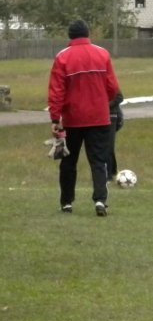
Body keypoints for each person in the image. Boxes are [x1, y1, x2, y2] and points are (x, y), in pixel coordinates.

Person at [48, 19, 120, 216]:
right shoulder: (102, 53)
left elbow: (57, 91)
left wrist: (55, 118)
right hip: (99, 117)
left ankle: (67, 202)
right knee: (99, 160)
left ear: (70, 36)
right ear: (88, 34)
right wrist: (102, 101)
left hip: (72, 119)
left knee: (68, 161)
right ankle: (100, 200)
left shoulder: (63, 57)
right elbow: (113, 88)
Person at [107, 91, 124, 179]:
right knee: (105, 146)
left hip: (111, 117)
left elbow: (119, 97)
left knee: (109, 146)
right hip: (98, 117)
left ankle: (110, 174)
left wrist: (106, 106)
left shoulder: (110, 85)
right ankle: (112, 171)